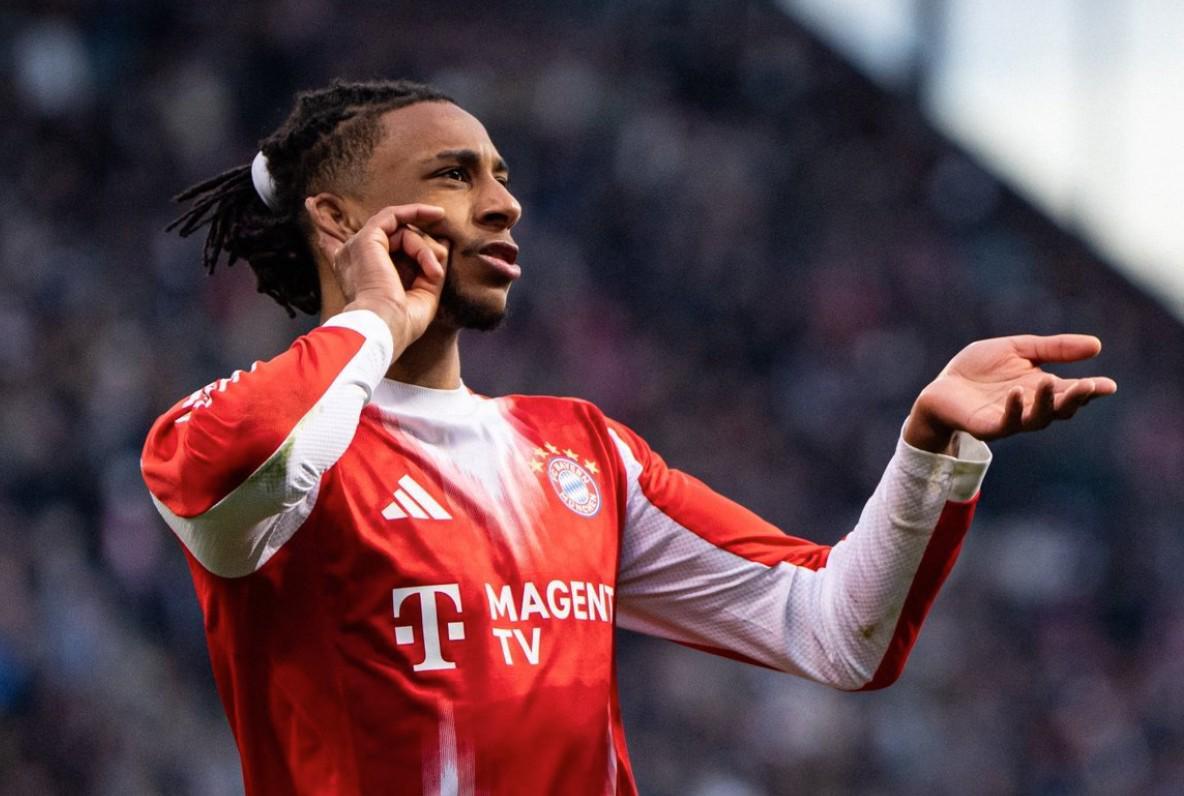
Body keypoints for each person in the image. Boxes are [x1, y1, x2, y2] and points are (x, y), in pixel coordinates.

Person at [141, 79, 1116, 795]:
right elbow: (233, 480)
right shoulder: (233, 428)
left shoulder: (581, 449)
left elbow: (831, 631)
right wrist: (376, 317)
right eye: (453, 175)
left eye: (501, 176)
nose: (504, 203)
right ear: (336, 218)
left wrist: (930, 449)